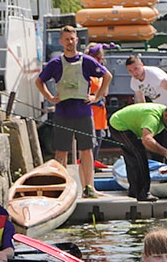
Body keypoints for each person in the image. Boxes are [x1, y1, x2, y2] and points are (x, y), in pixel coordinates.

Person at [35, 25, 111, 200]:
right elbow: (39, 82)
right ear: (61, 42)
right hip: (62, 113)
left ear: (77, 40)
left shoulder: (87, 61)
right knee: (61, 152)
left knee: (87, 151)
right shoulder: (54, 64)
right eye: (66, 39)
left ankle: (89, 188)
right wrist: (49, 97)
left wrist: (96, 97)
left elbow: (107, 76)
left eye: (72, 39)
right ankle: (59, 187)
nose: (70, 42)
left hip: (84, 113)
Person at [108, 102, 167, 202]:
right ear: (166, 115)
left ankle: (134, 191)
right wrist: (166, 153)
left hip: (128, 125)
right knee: (139, 154)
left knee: (132, 158)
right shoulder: (152, 118)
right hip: (119, 125)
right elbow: (147, 140)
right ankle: (143, 193)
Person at [86, 42, 109, 178]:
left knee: (98, 139)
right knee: (90, 140)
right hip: (90, 110)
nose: (100, 61)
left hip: (100, 110)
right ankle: (87, 166)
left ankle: (93, 163)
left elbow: (105, 91)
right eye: (98, 58)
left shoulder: (100, 72)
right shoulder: (86, 71)